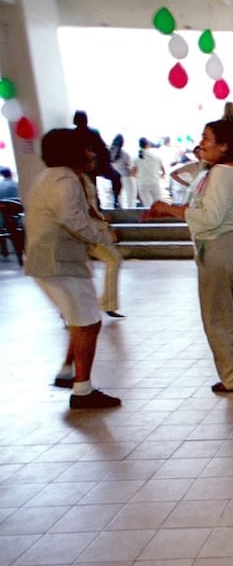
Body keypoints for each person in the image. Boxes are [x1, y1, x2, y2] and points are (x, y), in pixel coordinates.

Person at [147, 120, 233, 394]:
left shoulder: (218, 175)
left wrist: (169, 210)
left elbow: (209, 218)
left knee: (217, 317)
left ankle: (232, 379)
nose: (201, 144)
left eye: (206, 138)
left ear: (224, 145)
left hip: (220, 249)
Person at [24, 129, 121, 409]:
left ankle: (69, 372)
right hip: (58, 262)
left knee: (82, 320)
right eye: (87, 149)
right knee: (88, 322)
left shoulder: (48, 177)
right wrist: (105, 237)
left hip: (55, 261)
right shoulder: (65, 180)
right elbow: (73, 220)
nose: (92, 154)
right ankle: (82, 390)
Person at [79, 163, 125, 318]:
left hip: (90, 225)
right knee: (113, 260)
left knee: (111, 260)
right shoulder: (75, 178)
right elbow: (85, 206)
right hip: (87, 227)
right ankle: (105, 303)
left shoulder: (82, 176)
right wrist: (100, 219)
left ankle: (105, 303)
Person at [72, 110, 121, 209]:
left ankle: (98, 206)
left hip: (87, 165)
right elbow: (102, 148)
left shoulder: (74, 134)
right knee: (115, 178)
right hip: (95, 164)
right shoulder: (93, 132)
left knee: (92, 188)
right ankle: (114, 201)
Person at [135, 137, 165, 208]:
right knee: (157, 204)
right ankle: (157, 218)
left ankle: (149, 218)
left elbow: (133, 172)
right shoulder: (156, 155)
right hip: (155, 182)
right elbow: (163, 171)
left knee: (147, 205)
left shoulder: (136, 157)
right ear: (148, 144)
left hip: (142, 183)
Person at [109, 135, 136, 208]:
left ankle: (119, 212)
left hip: (114, 177)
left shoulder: (109, 152)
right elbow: (130, 167)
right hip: (126, 177)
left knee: (118, 198)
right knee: (130, 198)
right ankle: (131, 214)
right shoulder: (124, 154)